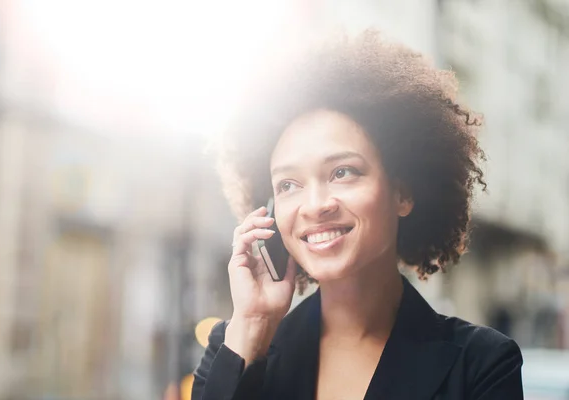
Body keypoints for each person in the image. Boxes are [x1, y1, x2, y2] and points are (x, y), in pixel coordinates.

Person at [191, 30, 524, 399]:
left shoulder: (482, 365)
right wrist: (252, 326)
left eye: (342, 172)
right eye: (288, 185)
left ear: (403, 193)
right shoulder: (234, 347)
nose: (316, 205)